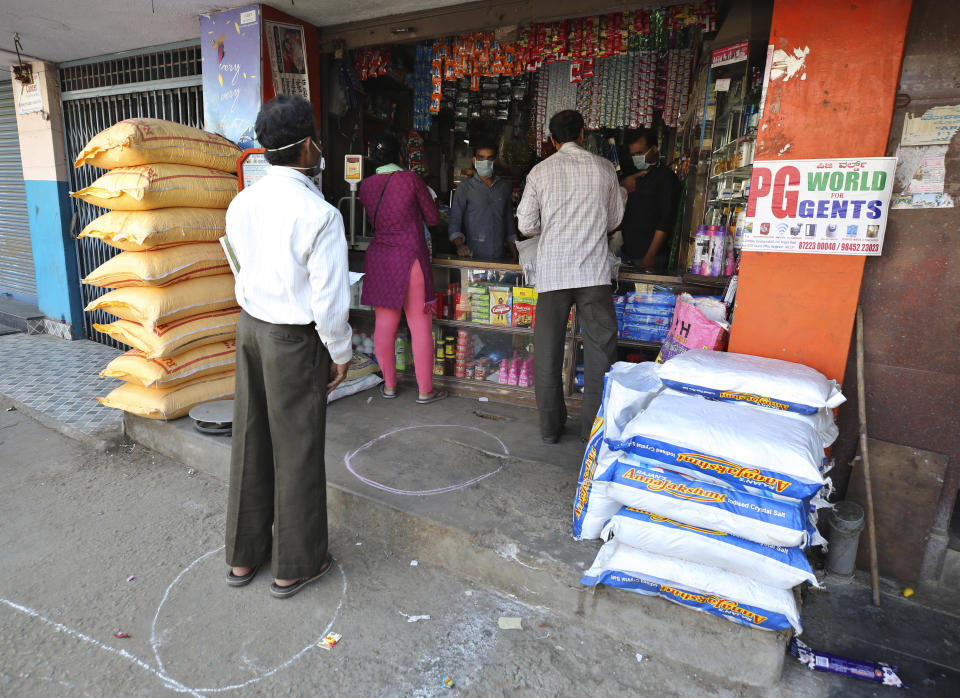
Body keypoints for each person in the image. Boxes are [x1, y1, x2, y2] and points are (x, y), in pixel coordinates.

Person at [223, 95, 351, 598]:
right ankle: (295, 564)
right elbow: (329, 299)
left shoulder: (242, 201)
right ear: (304, 149)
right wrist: (339, 351)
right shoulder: (319, 214)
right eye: (316, 140)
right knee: (296, 448)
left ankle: (243, 556)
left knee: (250, 439)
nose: (320, 149)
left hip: (250, 327)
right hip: (292, 339)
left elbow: (237, 262)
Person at [516, 110, 624, 444]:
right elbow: (614, 219)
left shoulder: (540, 171)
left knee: (547, 352)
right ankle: (593, 432)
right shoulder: (605, 169)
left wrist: (553, 224)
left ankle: (550, 429)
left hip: (552, 275)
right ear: (582, 134)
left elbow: (525, 225)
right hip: (594, 274)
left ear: (552, 140)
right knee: (600, 352)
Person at [359, 133, 446, 404]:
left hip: (380, 259)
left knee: (384, 325)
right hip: (411, 257)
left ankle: (389, 386)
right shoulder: (410, 179)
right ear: (400, 156)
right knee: (420, 326)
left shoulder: (366, 186)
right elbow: (432, 217)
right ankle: (425, 390)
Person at [618, 128, 681, 271]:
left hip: (649, 257)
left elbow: (665, 221)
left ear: (654, 149)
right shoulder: (632, 175)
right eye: (633, 155)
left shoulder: (666, 178)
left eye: (640, 153)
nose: (636, 158)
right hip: (626, 253)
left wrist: (650, 255)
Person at [449, 140, 518, 260]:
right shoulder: (465, 188)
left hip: (499, 257)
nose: (485, 162)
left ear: (495, 161)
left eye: (489, 158)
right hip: (472, 256)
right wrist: (460, 246)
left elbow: (509, 225)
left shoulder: (504, 187)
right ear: (474, 161)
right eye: (481, 158)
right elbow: (455, 222)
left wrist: (516, 255)